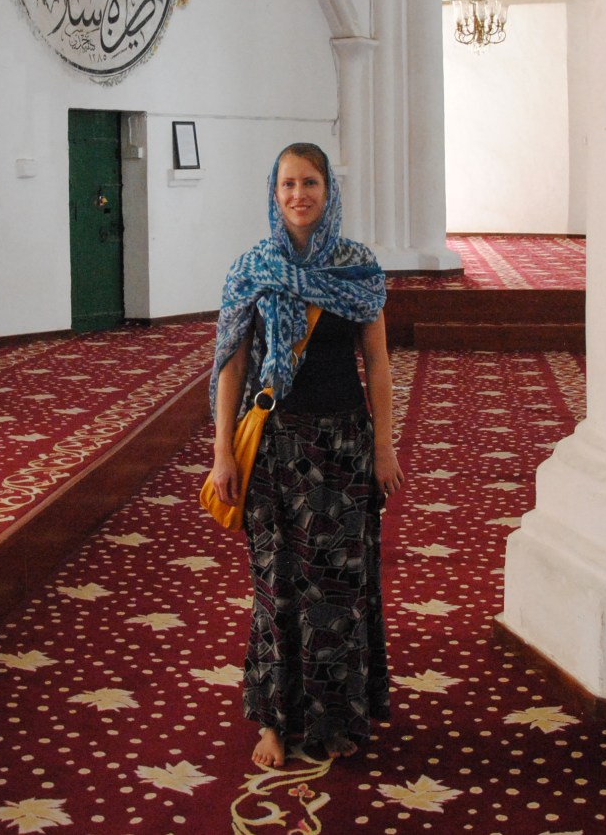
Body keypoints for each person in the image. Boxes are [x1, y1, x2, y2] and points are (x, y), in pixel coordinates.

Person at [209, 142, 402, 768]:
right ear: (274, 192)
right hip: (274, 450)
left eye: (311, 182)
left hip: (344, 448)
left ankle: (339, 715)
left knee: (340, 588)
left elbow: (376, 364)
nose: (300, 195)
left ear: (329, 191)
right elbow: (230, 368)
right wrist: (222, 455)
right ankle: (273, 721)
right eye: (288, 184)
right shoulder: (252, 268)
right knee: (277, 586)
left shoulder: (358, 268)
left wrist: (384, 445)